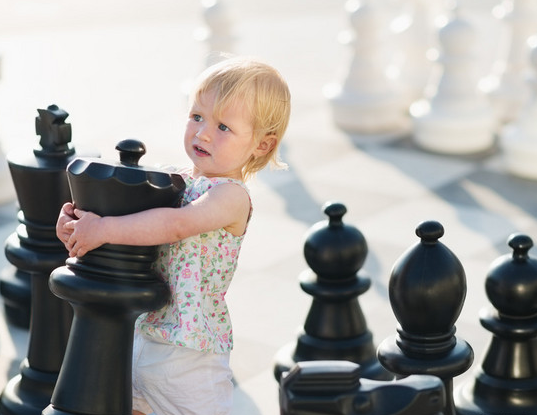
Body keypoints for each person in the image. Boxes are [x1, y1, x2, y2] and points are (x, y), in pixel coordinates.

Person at [56, 56, 291, 415]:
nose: (204, 132)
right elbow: (127, 224)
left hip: (189, 355)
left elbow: (176, 224)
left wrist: (104, 228)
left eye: (224, 126)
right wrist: (79, 224)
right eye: (197, 116)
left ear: (261, 145)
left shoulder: (230, 196)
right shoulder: (174, 178)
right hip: (141, 333)